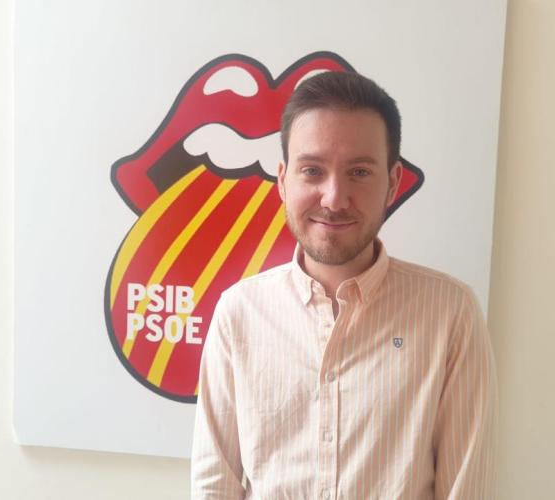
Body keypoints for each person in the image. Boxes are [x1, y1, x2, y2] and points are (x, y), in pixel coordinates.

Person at [191, 71, 498, 499]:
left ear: (392, 183)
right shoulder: (238, 313)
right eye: (312, 170)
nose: (334, 198)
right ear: (283, 181)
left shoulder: (450, 313)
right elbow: (214, 485)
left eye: (359, 172)